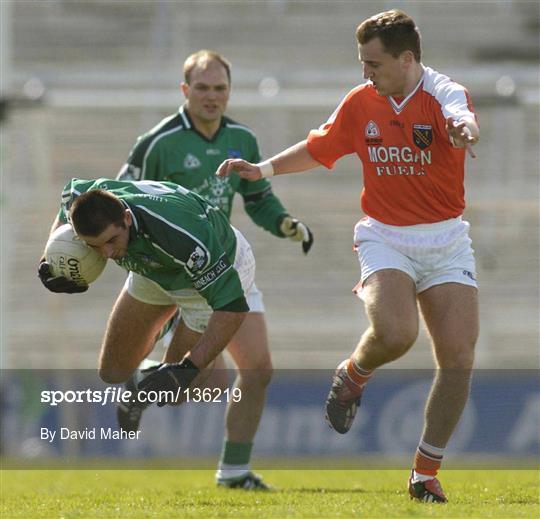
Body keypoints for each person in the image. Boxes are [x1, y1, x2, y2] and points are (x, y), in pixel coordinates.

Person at [216, 10, 480, 503]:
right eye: (362, 63)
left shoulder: (444, 93)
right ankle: (354, 372)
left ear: (406, 59)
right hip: (386, 235)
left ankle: (424, 473)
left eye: (373, 63)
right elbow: (322, 147)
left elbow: (458, 113)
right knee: (397, 334)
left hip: (445, 239)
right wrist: (263, 170)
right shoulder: (362, 103)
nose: (365, 73)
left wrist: (464, 127)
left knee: (460, 360)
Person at [114, 49, 313, 489]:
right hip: (173, 277)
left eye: (219, 88)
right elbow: (121, 207)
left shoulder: (242, 139)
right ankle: (146, 379)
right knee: (197, 381)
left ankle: (234, 472)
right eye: (201, 88)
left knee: (258, 369)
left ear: (229, 91)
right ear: (185, 91)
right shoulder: (158, 143)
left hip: (225, 267)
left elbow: (257, 199)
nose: (211, 96)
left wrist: (284, 223)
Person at [38, 178, 264, 481]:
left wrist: (188, 367)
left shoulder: (182, 235)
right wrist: (50, 260)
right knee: (112, 372)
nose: (105, 254)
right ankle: (140, 377)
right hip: (151, 268)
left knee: (179, 390)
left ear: (127, 218)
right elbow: (69, 191)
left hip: (209, 279)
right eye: (94, 246)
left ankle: (156, 376)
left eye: (110, 241)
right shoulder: (85, 201)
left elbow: (233, 307)